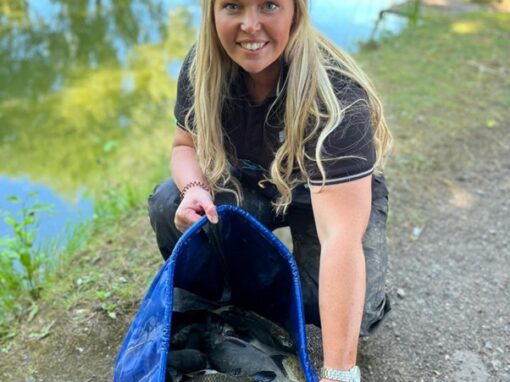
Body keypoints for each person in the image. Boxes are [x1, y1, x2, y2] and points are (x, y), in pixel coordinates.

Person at [148, 0, 392, 381]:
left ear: (296, 11)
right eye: (232, 6)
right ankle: (225, 299)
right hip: (252, 182)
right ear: (212, 13)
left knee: (351, 315)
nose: (250, 25)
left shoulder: (338, 94)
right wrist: (194, 188)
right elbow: (185, 145)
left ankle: (281, 284)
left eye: (269, 5)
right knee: (169, 202)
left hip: (325, 196)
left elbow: (340, 238)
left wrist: (340, 372)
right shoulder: (203, 65)